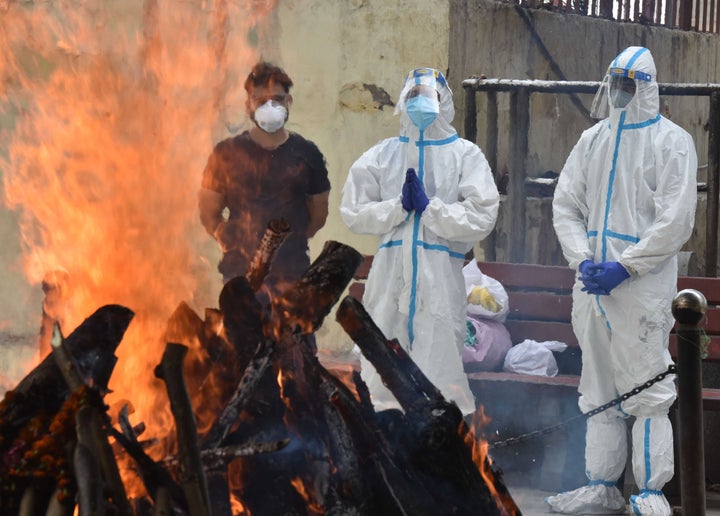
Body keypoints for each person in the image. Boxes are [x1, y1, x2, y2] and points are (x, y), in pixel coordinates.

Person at [549, 46, 697, 515]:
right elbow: (566, 205)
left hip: (641, 289)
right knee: (598, 387)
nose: (618, 92)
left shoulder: (672, 142)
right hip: (592, 287)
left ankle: (650, 492)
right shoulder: (593, 139)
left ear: (647, 87)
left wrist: (626, 265)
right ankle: (600, 485)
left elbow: (675, 221)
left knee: (647, 389)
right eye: (614, 81)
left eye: (629, 84)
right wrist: (582, 260)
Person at [339, 67, 499, 416]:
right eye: (413, 97)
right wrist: (397, 208)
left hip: (438, 282)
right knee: (381, 373)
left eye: (428, 98)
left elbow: (482, 215)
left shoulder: (464, 155)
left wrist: (432, 210)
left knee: (440, 377)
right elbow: (353, 210)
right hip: (388, 281)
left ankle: (443, 456)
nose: (420, 105)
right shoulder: (384, 155)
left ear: (444, 103)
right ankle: (385, 453)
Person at [199, 61, 331, 303]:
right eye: (260, 101)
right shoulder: (225, 153)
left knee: (293, 340)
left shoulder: (308, 154)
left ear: (288, 102)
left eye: (278, 99)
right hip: (240, 277)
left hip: (293, 277)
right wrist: (225, 237)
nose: (270, 106)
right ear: (248, 104)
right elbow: (209, 212)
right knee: (241, 339)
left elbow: (318, 215)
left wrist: (292, 241)